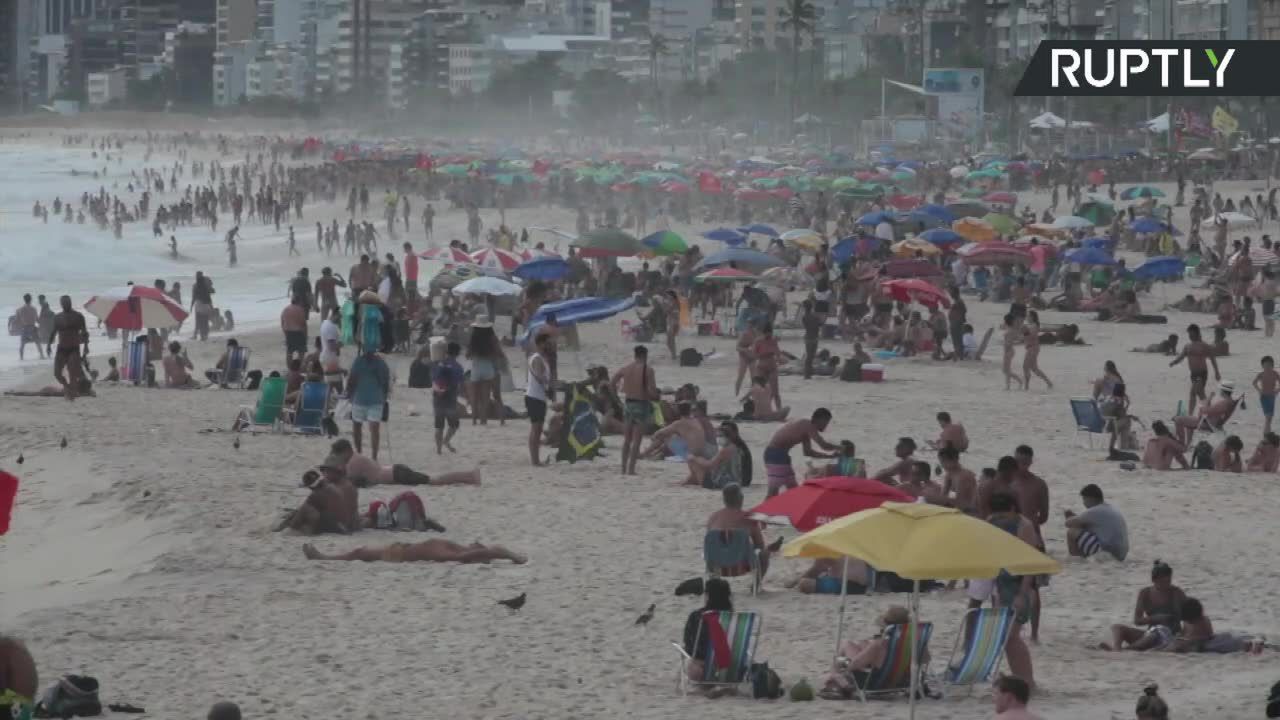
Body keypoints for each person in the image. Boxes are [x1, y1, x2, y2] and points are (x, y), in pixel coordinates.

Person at [985, 492, 1038, 688]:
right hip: (1001, 584)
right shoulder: (992, 521)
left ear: (1013, 509)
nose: (999, 517)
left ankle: (1028, 681)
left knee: (1012, 636)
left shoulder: (1024, 526)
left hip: (1019, 586)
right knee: (1005, 638)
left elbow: (1030, 563)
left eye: (1002, 513)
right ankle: (1021, 680)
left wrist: (1022, 594)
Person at [819, 605, 924, 700]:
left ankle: (836, 677)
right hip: (900, 680)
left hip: (875, 682)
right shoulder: (914, 642)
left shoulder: (879, 644)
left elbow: (854, 664)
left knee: (844, 649)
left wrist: (841, 663)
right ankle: (834, 676)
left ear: (886, 625)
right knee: (853, 645)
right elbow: (926, 659)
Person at [1101, 560, 1186, 652]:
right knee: (1117, 627)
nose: (1166, 584)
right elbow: (1137, 621)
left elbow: (1188, 617)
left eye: (1168, 581)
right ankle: (1116, 648)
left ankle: (1125, 650)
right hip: (1149, 633)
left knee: (1155, 634)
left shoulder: (1176, 593)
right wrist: (1156, 618)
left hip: (1169, 635)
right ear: (1154, 580)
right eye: (1162, 581)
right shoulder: (1145, 593)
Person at [324, 439, 479, 488]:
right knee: (434, 480)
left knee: (435, 481)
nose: (339, 458)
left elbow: (344, 481)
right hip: (395, 471)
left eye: (339, 455)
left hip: (397, 475)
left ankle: (470, 476)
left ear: (346, 451)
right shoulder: (355, 457)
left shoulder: (353, 462)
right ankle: (469, 476)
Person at [706, 483, 775, 579]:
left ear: (724, 500)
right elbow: (759, 546)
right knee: (764, 554)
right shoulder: (749, 518)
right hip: (742, 566)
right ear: (741, 498)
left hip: (718, 565)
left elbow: (710, 546)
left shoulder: (713, 518)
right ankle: (756, 584)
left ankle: (714, 582)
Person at [762, 409, 837, 497]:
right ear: (819, 419)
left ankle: (792, 506)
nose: (826, 426)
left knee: (793, 491)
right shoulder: (808, 425)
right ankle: (764, 507)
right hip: (775, 455)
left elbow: (808, 452)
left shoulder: (806, 429)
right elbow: (823, 445)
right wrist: (842, 447)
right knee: (773, 493)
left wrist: (829, 456)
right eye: (826, 422)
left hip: (781, 456)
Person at [612, 345, 658, 476]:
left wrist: (616, 397)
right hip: (641, 405)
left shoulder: (626, 368)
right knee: (637, 440)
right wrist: (655, 396)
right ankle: (631, 469)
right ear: (645, 355)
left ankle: (623, 468)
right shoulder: (648, 370)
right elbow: (652, 391)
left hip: (628, 404)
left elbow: (612, 382)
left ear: (635, 355)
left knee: (627, 440)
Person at [681, 577, 735, 687]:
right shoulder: (736, 617)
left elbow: (688, 643)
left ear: (708, 596)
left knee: (686, 659)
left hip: (702, 670)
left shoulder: (697, 616)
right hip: (732, 669)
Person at [303, 538, 526, 564]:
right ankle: (324, 557)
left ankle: (324, 557)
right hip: (408, 550)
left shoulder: (441, 553)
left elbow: (471, 554)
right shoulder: (445, 549)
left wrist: (509, 555)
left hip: (405, 552)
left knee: (359, 553)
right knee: (359, 553)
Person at [1169, 597, 1265, 653]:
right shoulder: (1194, 621)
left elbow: (1204, 638)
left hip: (1212, 643)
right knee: (1237, 641)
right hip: (1215, 640)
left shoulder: (1201, 622)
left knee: (1237, 644)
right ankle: (1254, 643)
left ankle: (1254, 645)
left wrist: (1188, 642)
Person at [346, 347, 390, 461]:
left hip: (371, 399)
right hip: (364, 398)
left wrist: (349, 393)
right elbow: (352, 379)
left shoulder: (378, 363)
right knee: (362, 427)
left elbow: (351, 379)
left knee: (370, 428)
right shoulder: (362, 362)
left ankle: (373, 457)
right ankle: (360, 453)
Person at [1064, 483, 1129, 560]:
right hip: (1121, 554)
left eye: (1084, 499)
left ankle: (1077, 560)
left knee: (1072, 532)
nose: (1083, 503)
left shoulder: (1094, 510)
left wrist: (1069, 515)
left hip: (1108, 551)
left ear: (1090, 498)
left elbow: (1068, 523)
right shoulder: (1110, 508)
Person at [1169, 324, 1220, 414]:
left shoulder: (1204, 345)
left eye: (1192, 334)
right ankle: (1208, 411)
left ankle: (1192, 414)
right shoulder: (1187, 346)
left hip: (1202, 373)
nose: (1190, 336)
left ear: (1197, 333)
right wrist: (1174, 362)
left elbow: (1212, 359)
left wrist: (1217, 372)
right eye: (1189, 334)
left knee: (1193, 392)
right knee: (1200, 394)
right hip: (1193, 374)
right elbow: (1181, 356)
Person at [686, 422, 748, 489]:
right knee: (699, 465)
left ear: (727, 436)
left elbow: (709, 465)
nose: (718, 438)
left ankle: (686, 483)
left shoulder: (725, 450)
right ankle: (685, 483)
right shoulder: (735, 447)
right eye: (717, 436)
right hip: (735, 480)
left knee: (695, 464)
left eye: (720, 436)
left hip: (723, 482)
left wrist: (695, 459)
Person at [466, 322, 506, 426]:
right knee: (485, 398)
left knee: (474, 397)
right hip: (488, 368)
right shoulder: (492, 339)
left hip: (476, 368)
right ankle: (484, 420)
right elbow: (499, 354)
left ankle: (474, 421)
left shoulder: (473, 339)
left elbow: (468, 355)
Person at [1172, 382, 1238, 444]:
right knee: (1188, 420)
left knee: (1178, 419)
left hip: (1207, 424)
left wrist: (1209, 398)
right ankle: (1188, 444)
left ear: (1222, 391)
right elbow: (1209, 410)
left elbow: (1204, 411)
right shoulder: (1231, 402)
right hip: (1212, 423)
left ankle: (1181, 444)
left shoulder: (1224, 403)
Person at [51, 295, 89, 401]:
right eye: (64, 303)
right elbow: (53, 332)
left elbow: (85, 333)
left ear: (71, 303)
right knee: (57, 373)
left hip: (74, 348)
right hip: (61, 348)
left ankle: (71, 394)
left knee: (72, 373)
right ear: (61, 304)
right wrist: (49, 345)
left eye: (68, 302)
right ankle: (67, 387)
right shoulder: (57, 317)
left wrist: (86, 347)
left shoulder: (78, 316)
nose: (66, 304)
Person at [432, 341, 465, 454]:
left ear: (446, 351)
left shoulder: (438, 364)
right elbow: (460, 385)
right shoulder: (458, 367)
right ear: (458, 353)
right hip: (450, 399)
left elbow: (433, 379)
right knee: (454, 425)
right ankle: (446, 441)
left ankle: (438, 450)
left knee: (439, 426)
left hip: (437, 398)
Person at [525, 331, 552, 466]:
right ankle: (535, 461)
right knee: (536, 429)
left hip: (539, 397)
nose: (549, 345)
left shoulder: (542, 358)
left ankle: (536, 459)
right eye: (547, 343)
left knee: (538, 429)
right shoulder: (537, 358)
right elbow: (538, 376)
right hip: (534, 397)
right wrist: (551, 384)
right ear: (541, 343)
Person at [0, 635, 37, 720]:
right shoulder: (10, 643)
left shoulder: (3, 649)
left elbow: (1, 687)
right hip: (26, 707)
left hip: (16, 706)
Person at [938, 446, 978, 513]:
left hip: (970, 511)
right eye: (941, 462)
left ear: (955, 459)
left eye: (944, 461)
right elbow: (942, 497)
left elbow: (961, 503)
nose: (942, 465)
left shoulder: (963, 477)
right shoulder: (949, 474)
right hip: (962, 507)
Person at [753, 323, 782, 410]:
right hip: (761, 368)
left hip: (772, 367)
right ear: (764, 333)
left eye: (770, 334)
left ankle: (779, 409)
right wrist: (765, 353)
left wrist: (778, 357)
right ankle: (763, 409)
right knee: (762, 391)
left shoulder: (773, 341)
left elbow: (778, 354)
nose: (768, 336)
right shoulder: (758, 341)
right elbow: (754, 355)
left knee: (775, 392)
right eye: (767, 334)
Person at [1021, 310, 1053, 390]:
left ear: (1032, 317)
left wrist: (1024, 331)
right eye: (1026, 316)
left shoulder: (1034, 325)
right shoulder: (1030, 325)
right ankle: (1049, 383)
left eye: (1028, 316)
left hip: (1033, 348)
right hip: (1032, 348)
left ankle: (1026, 387)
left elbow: (1031, 336)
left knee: (1025, 366)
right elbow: (1025, 336)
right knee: (1034, 368)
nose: (1026, 317)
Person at [1255, 355, 1280, 434]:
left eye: (1269, 365)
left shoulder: (1275, 374)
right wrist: (1259, 390)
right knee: (1268, 417)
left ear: (1272, 365)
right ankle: (1266, 434)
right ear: (1262, 366)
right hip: (1264, 397)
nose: (1268, 367)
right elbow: (1254, 383)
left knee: (1270, 418)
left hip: (1272, 397)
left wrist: (1277, 390)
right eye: (1266, 365)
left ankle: (1267, 433)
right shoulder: (1261, 374)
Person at [280, 298, 308, 366]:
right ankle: (299, 366)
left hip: (288, 332)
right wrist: (305, 335)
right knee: (301, 352)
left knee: (289, 352)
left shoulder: (285, 309)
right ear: (299, 302)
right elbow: (303, 324)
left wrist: (285, 333)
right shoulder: (300, 309)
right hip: (298, 332)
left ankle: (290, 368)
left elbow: (282, 323)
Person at [15, 294, 42, 360]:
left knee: (22, 345)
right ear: (31, 299)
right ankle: (42, 356)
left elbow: (17, 321)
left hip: (25, 328)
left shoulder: (20, 309)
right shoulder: (34, 309)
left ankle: (21, 358)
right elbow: (37, 320)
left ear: (24, 300)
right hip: (33, 328)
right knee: (38, 343)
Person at [801, 300, 823, 379]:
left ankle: (807, 373)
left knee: (809, 356)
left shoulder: (804, 317)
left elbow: (806, 326)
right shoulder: (815, 316)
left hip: (808, 337)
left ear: (804, 308)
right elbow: (820, 324)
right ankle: (807, 373)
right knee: (811, 356)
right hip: (814, 337)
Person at [1001, 313, 1023, 390]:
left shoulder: (1011, 330)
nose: (1003, 321)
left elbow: (1020, 339)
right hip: (1008, 350)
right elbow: (1019, 339)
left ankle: (1019, 381)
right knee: (1007, 369)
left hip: (1009, 351)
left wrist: (1010, 343)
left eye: (1004, 320)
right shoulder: (1009, 328)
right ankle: (1008, 386)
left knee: (1005, 370)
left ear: (1006, 321)